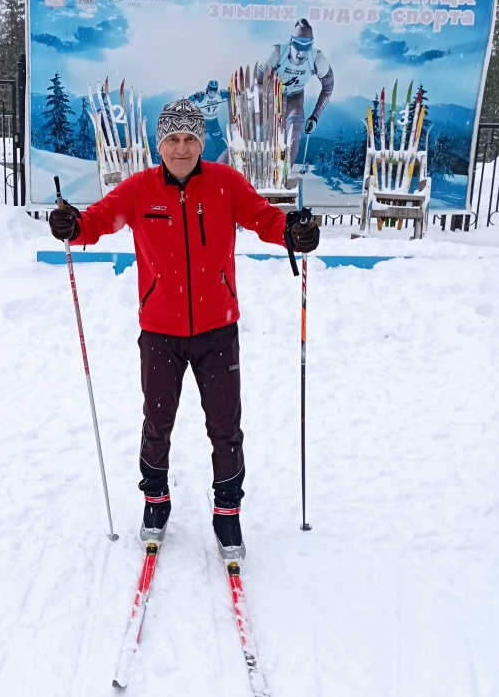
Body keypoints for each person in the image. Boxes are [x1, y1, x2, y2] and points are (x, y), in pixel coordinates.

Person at [49, 98, 319, 560]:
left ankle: (227, 512)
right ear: (160, 144)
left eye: (190, 139)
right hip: (159, 331)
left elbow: (264, 217)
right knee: (158, 423)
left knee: (225, 426)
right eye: (172, 139)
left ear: (201, 143)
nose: (181, 148)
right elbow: (97, 222)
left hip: (217, 330)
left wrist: (292, 231)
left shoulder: (225, 183)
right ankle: (156, 502)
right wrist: (71, 225)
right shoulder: (139, 190)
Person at [258, 18, 334, 164]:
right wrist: (272, 101)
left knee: (295, 131)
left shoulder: (317, 58)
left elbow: (328, 87)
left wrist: (315, 116)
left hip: (295, 97)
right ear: (291, 42)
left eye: (306, 48)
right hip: (272, 96)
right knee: (273, 133)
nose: (301, 54)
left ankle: (285, 173)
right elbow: (259, 84)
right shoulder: (276, 53)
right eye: (298, 46)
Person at [188, 79, 230, 161]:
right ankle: (196, 160)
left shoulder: (220, 95)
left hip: (214, 123)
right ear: (207, 90)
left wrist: (231, 93)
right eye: (210, 92)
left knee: (219, 142)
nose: (212, 94)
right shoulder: (203, 96)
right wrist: (195, 96)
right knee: (197, 142)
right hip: (203, 122)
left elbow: (230, 94)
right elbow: (190, 100)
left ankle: (217, 160)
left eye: (214, 93)